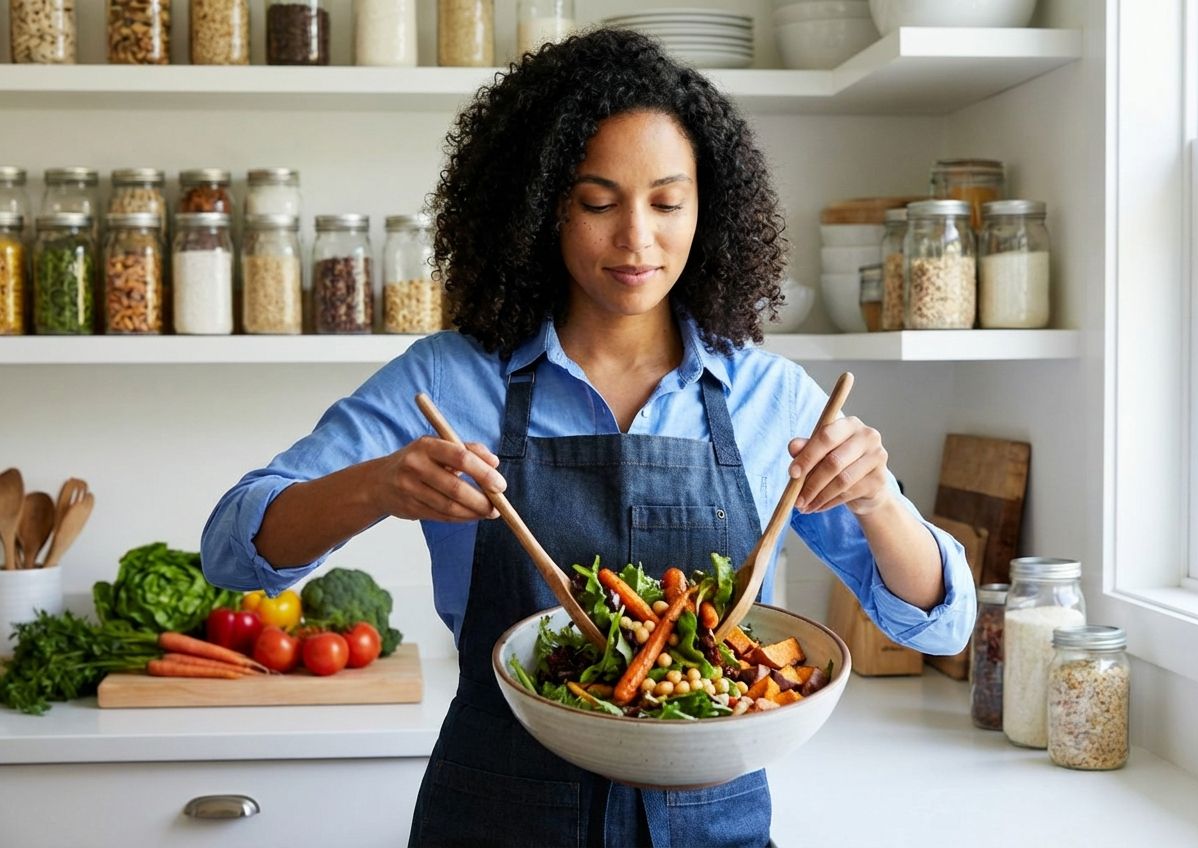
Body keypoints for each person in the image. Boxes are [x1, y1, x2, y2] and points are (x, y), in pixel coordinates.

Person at [201, 28, 974, 848]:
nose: (636, 239)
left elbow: (942, 625)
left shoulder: (766, 396)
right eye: (599, 203)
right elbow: (231, 546)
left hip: (712, 829)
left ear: (708, 209)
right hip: (493, 819)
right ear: (540, 207)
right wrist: (376, 486)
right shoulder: (452, 379)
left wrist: (878, 499)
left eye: (667, 203)